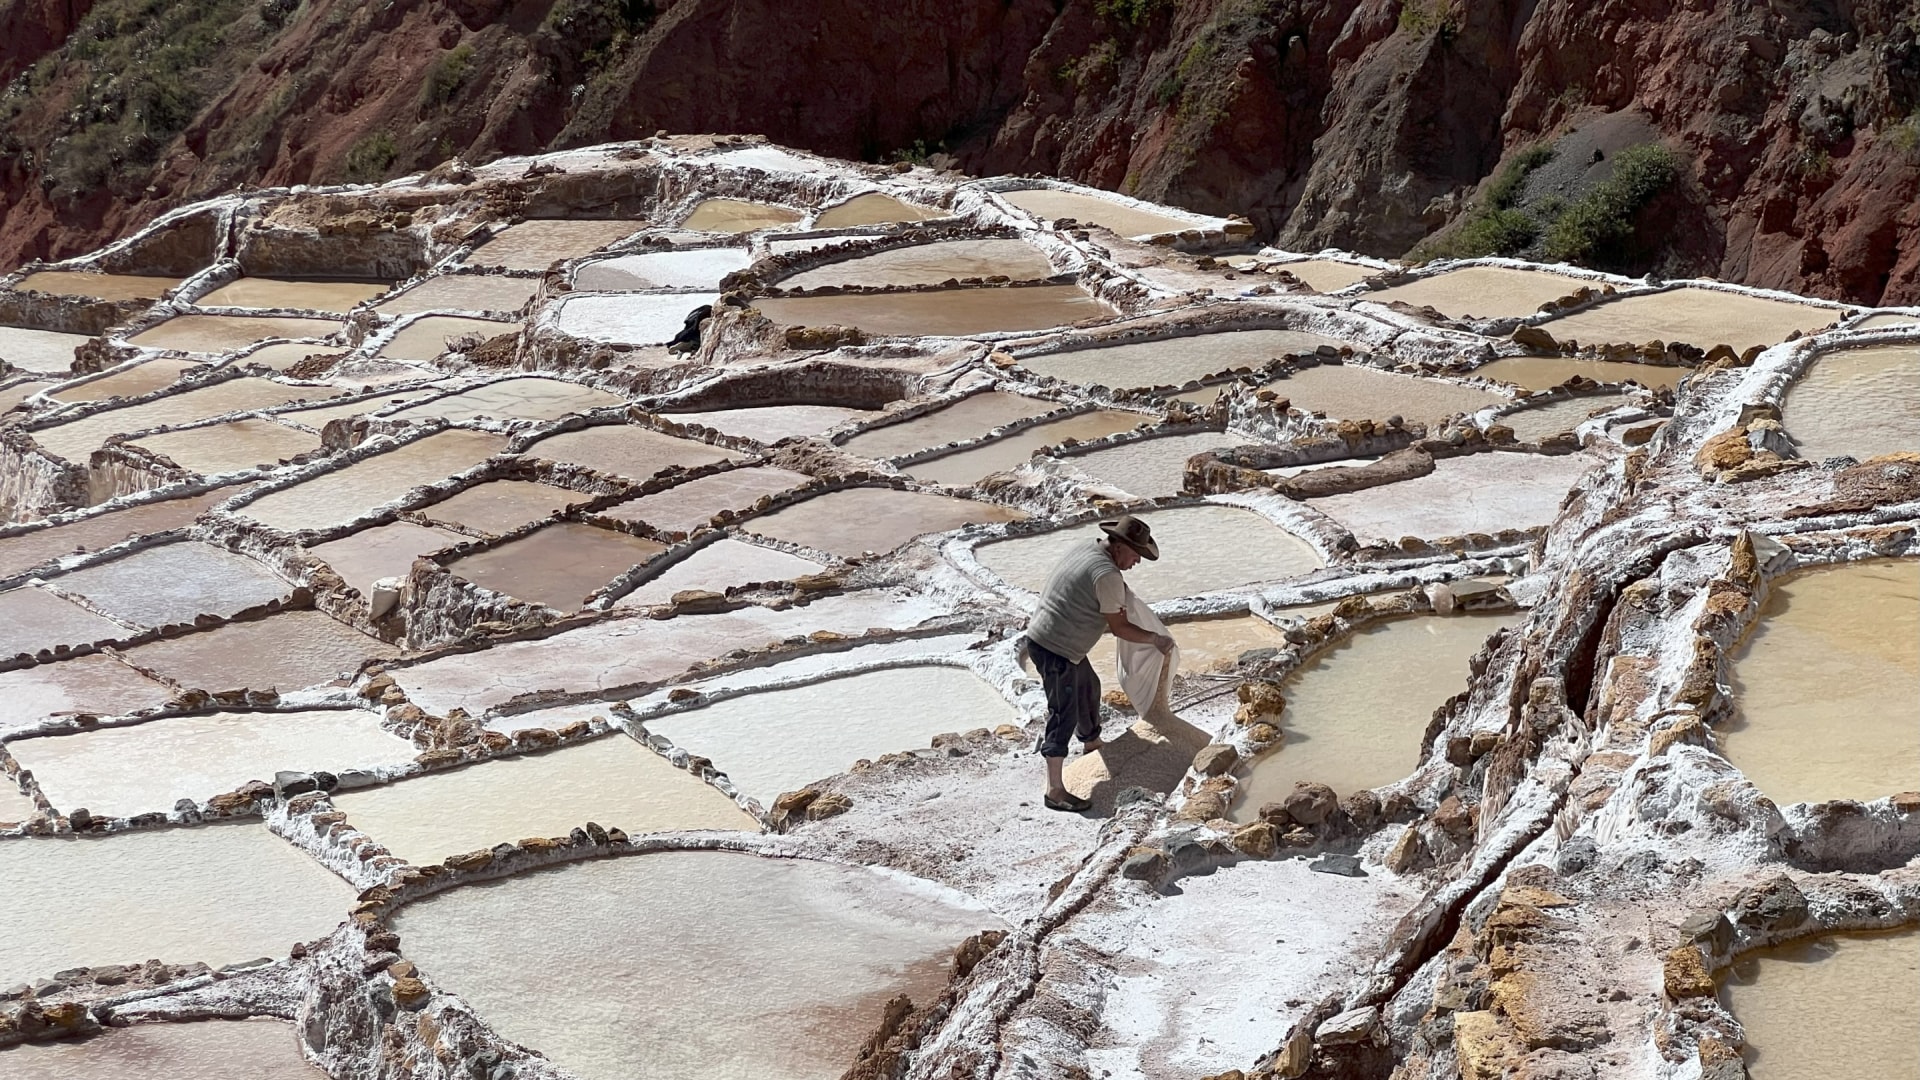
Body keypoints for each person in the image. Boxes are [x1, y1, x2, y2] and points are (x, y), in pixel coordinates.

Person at [1022, 515, 1174, 812]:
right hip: (1055, 647)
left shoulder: (1088, 549)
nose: (1137, 562)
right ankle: (1055, 790)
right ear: (1118, 546)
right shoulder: (1107, 576)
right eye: (1135, 554)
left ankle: (1091, 743)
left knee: (1089, 687)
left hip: (1051, 637)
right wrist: (1155, 639)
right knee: (1062, 711)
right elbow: (1120, 628)